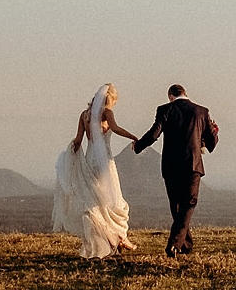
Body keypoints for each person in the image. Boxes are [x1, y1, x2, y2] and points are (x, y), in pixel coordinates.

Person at [52, 83, 139, 258]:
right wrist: (134, 137)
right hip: (104, 161)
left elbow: (78, 140)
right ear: (110, 99)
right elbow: (115, 128)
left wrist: (71, 157)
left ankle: (111, 239)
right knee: (113, 200)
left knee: (95, 200)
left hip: (90, 160)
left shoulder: (85, 115)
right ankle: (119, 237)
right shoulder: (107, 113)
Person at [134, 83, 218, 256]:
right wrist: (214, 131)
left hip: (171, 165)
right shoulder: (202, 111)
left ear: (171, 97)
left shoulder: (165, 110)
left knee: (177, 206)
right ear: (185, 93)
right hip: (193, 165)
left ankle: (183, 245)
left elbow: (154, 134)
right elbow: (211, 143)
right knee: (189, 204)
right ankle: (177, 244)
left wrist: (138, 146)